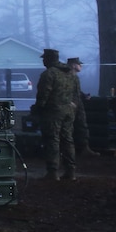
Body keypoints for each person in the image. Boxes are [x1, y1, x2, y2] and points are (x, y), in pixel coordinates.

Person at [33, 48, 78, 180]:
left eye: (44, 59)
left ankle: (53, 172)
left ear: (48, 59)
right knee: (68, 140)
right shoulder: (70, 73)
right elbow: (76, 93)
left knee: (52, 140)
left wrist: (37, 108)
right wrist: (73, 105)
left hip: (52, 112)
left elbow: (43, 95)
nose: (43, 61)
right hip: (69, 111)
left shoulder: (49, 74)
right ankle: (71, 171)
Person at [67, 57, 97, 156]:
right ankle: (68, 151)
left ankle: (84, 148)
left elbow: (76, 91)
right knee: (68, 128)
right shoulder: (66, 76)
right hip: (69, 105)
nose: (81, 66)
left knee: (81, 126)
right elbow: (63, 91)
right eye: (78, 64)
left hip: (77, 104)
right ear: (73, 65)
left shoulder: (75, 77)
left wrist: (83, 96)